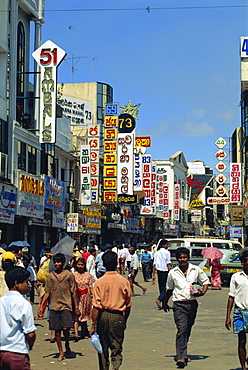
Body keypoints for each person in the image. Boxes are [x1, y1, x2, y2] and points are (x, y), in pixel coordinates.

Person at [163, 247, 209, 368]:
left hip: (192, 304)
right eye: (180, 258)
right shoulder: (173, 272)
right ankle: (181, 357)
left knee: (188, 328)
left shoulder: (196, 269)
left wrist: (202, 292)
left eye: (184, 257)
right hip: (179, 304)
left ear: (188, 258)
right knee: (182, 329)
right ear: (177, 259)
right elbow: (170, 289)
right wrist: (164, 302)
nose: (182, 260)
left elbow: (205, 281)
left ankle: (183, 351)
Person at [90, 251, 132, 370]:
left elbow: (96, 307)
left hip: (103, 316)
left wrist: (93, 325)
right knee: (116, 345)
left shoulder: (99, 282)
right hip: (118, 316)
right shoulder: (124, 282)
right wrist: (125, 320)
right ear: (116, 262)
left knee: (102, 346)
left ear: (103, 263)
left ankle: (104, 367)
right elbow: (128, 305)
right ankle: (116, 366)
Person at [38, 252, 80, 362]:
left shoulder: (69, 275)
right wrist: (42, 306)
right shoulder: (51, 276)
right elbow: (47, 292)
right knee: (57, 330)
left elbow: (73, 292)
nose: (57, 264)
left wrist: (76, 307)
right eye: (55, 262)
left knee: (66, 328)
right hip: (54, 306)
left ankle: (67, 344)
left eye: (59, 262)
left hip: (66, 305)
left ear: (63, 263)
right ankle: (61, 352)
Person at [0, 266, 36, 370]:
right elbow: (30, 333)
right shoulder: (23, 304)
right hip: (17, 352)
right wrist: (29, 346)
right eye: (26, 282)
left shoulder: (1, 301)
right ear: (16, 284)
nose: (28, 286)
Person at [225, 248, 248, 370]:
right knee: (242, 341)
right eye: (245, 260)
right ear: (242, 263)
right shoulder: (236, 277)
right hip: (240, 312)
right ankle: (243, 367)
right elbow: (231, 296)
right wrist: (228, 316)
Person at [73, 258, 94, 340]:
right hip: (77, 297)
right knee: (76, 316)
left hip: (86, 297)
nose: (80, 266)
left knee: (84, 317)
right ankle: (76, 334)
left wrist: (95, 296)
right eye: (79, 264)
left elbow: (91, 287)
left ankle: (83, 332)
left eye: (82, 265)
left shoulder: (88, 275)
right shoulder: (73, 275)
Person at [152, 239, 171, 309]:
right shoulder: (167, 252)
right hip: (165, 271)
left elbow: (154, 264)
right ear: (163, 245)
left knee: (161, 287)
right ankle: (159, 299)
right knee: (166, 288)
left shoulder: (157, 253)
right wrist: (170, 271)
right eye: (167, 244)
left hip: (159, 271)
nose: (168, 246)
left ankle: (164, 303)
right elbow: (168, 263)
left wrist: (153, 274)